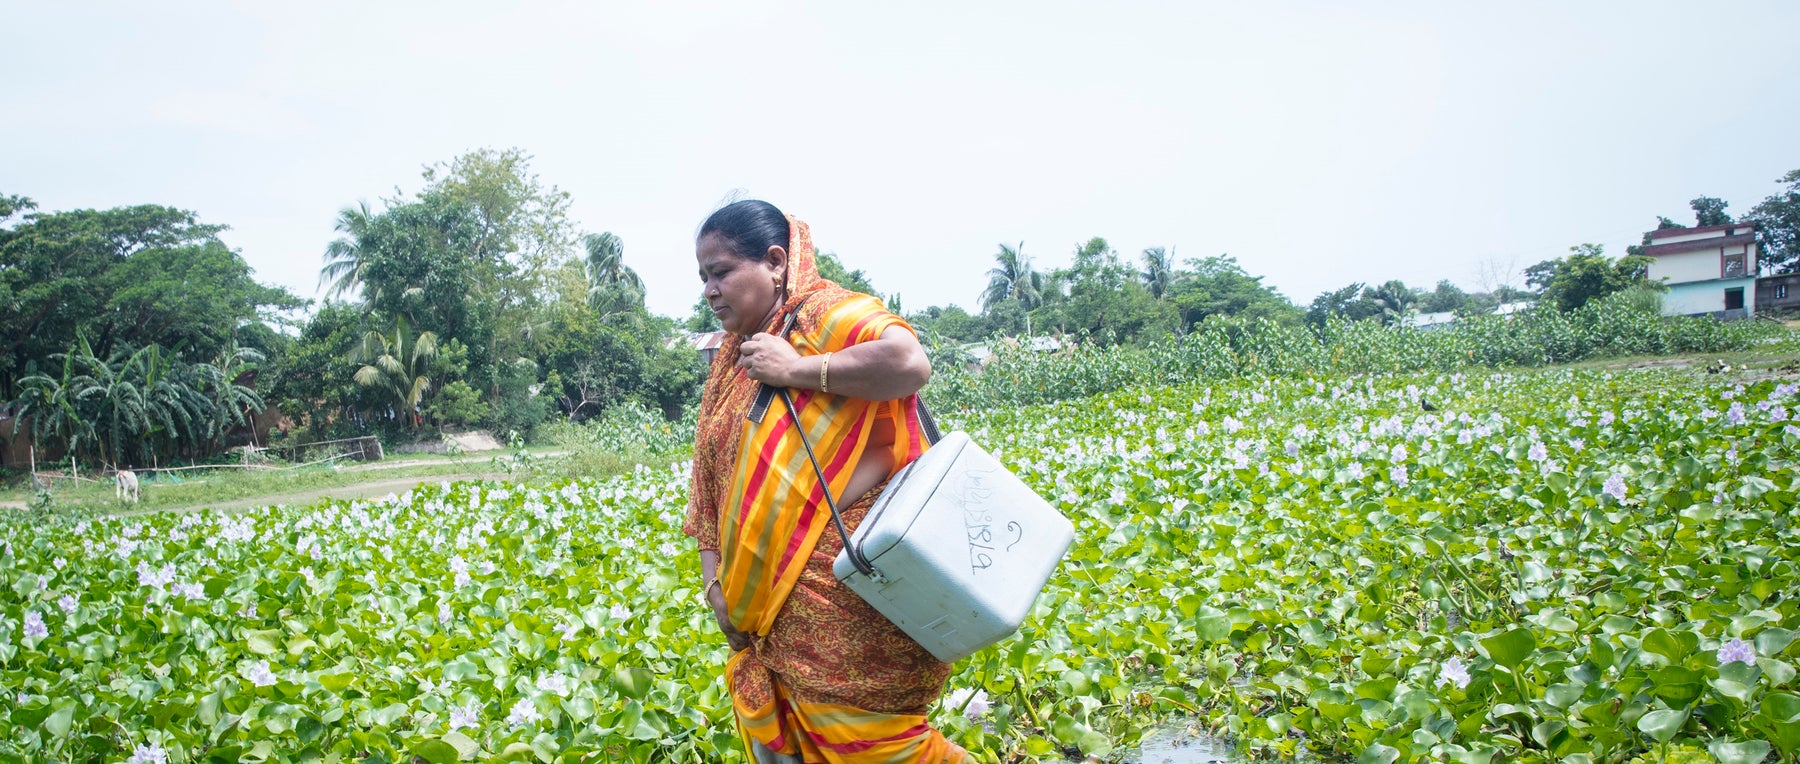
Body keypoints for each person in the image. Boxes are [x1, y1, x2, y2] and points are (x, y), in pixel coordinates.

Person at [683, 200, 967, 763]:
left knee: (875, 747)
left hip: (848, 591)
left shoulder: (824, 316)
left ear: (775, 261)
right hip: (764, 610)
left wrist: (796, 370)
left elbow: (909, 363)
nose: (710, 290)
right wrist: (716, 587)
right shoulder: (732, 358)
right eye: (703, 278)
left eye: (721, 272)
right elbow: (712, 482)